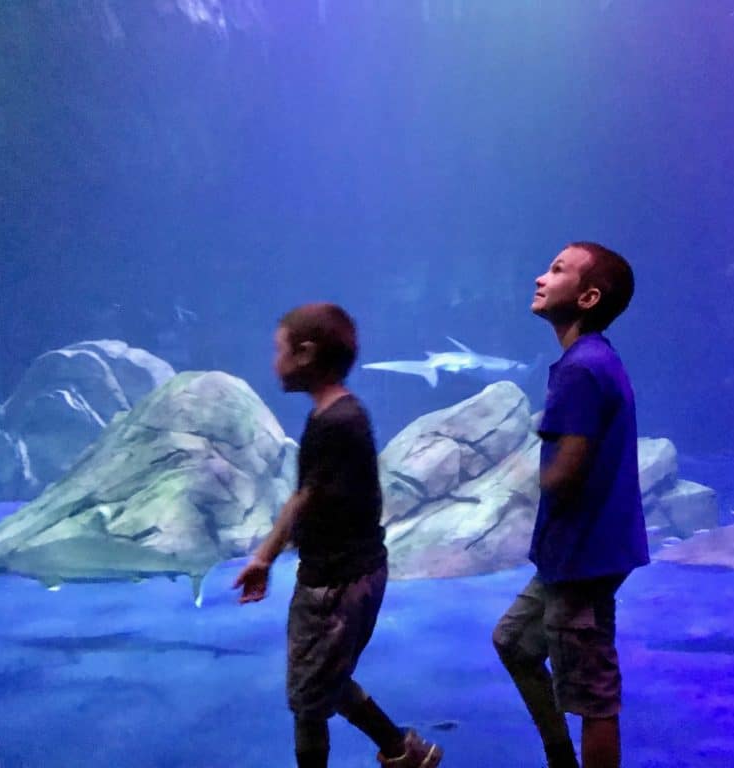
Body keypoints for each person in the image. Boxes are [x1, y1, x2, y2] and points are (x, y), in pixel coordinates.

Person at [234, 303, 442, 768]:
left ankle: (403, 751)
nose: (273, 362)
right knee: (322, 680)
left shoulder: (336, 423)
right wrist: (265, 558)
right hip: (349, 575)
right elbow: (309, 493)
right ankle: (403, 751)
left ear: (304, 353)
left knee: (309, 699)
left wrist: (268, 557)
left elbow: (307, 497)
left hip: (334, 583)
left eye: (278, 350)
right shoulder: (338, 416)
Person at [493, 242, 649, 768]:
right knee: (514, 641)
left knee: (592, 697)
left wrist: (521, 474)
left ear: (587, 297)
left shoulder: (580, 369)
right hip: (575, 555)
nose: (541, 276)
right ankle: (561, 758)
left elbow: (565, 471)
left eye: (557, 270)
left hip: (584, 557)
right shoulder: (593, 359)